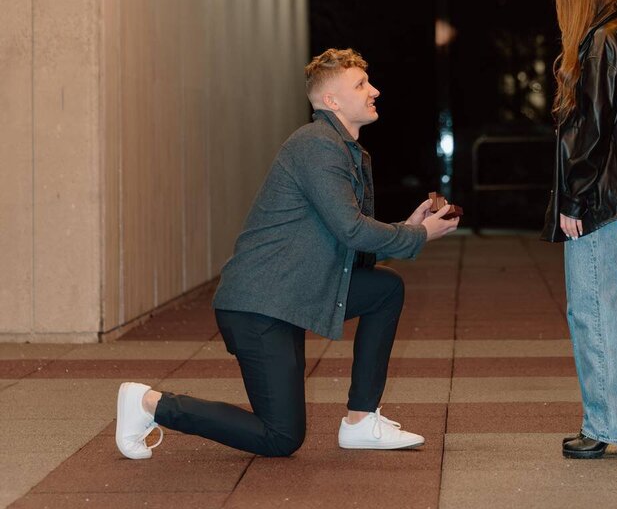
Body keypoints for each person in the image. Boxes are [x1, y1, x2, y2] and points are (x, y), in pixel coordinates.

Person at [116, 47, 460, 460]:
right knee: (280, 437)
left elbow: (351, 243)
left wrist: (409, 226)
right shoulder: (317, 146)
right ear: (332, 101)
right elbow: (351, 229)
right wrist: (417, 235)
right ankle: (149, 404)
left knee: (385, 290)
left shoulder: (347, 151)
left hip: (291, 295)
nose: (375, 90)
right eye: (361, 84)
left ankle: (360, 421)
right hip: (259, 306)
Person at [542, 0, 617, 460]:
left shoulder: (603, 42)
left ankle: (606, 425)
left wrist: (574, 202)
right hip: (609, 198)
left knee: (592, 309)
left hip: (595, 200)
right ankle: (616, 426)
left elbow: (591, 133)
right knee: (602, 305)